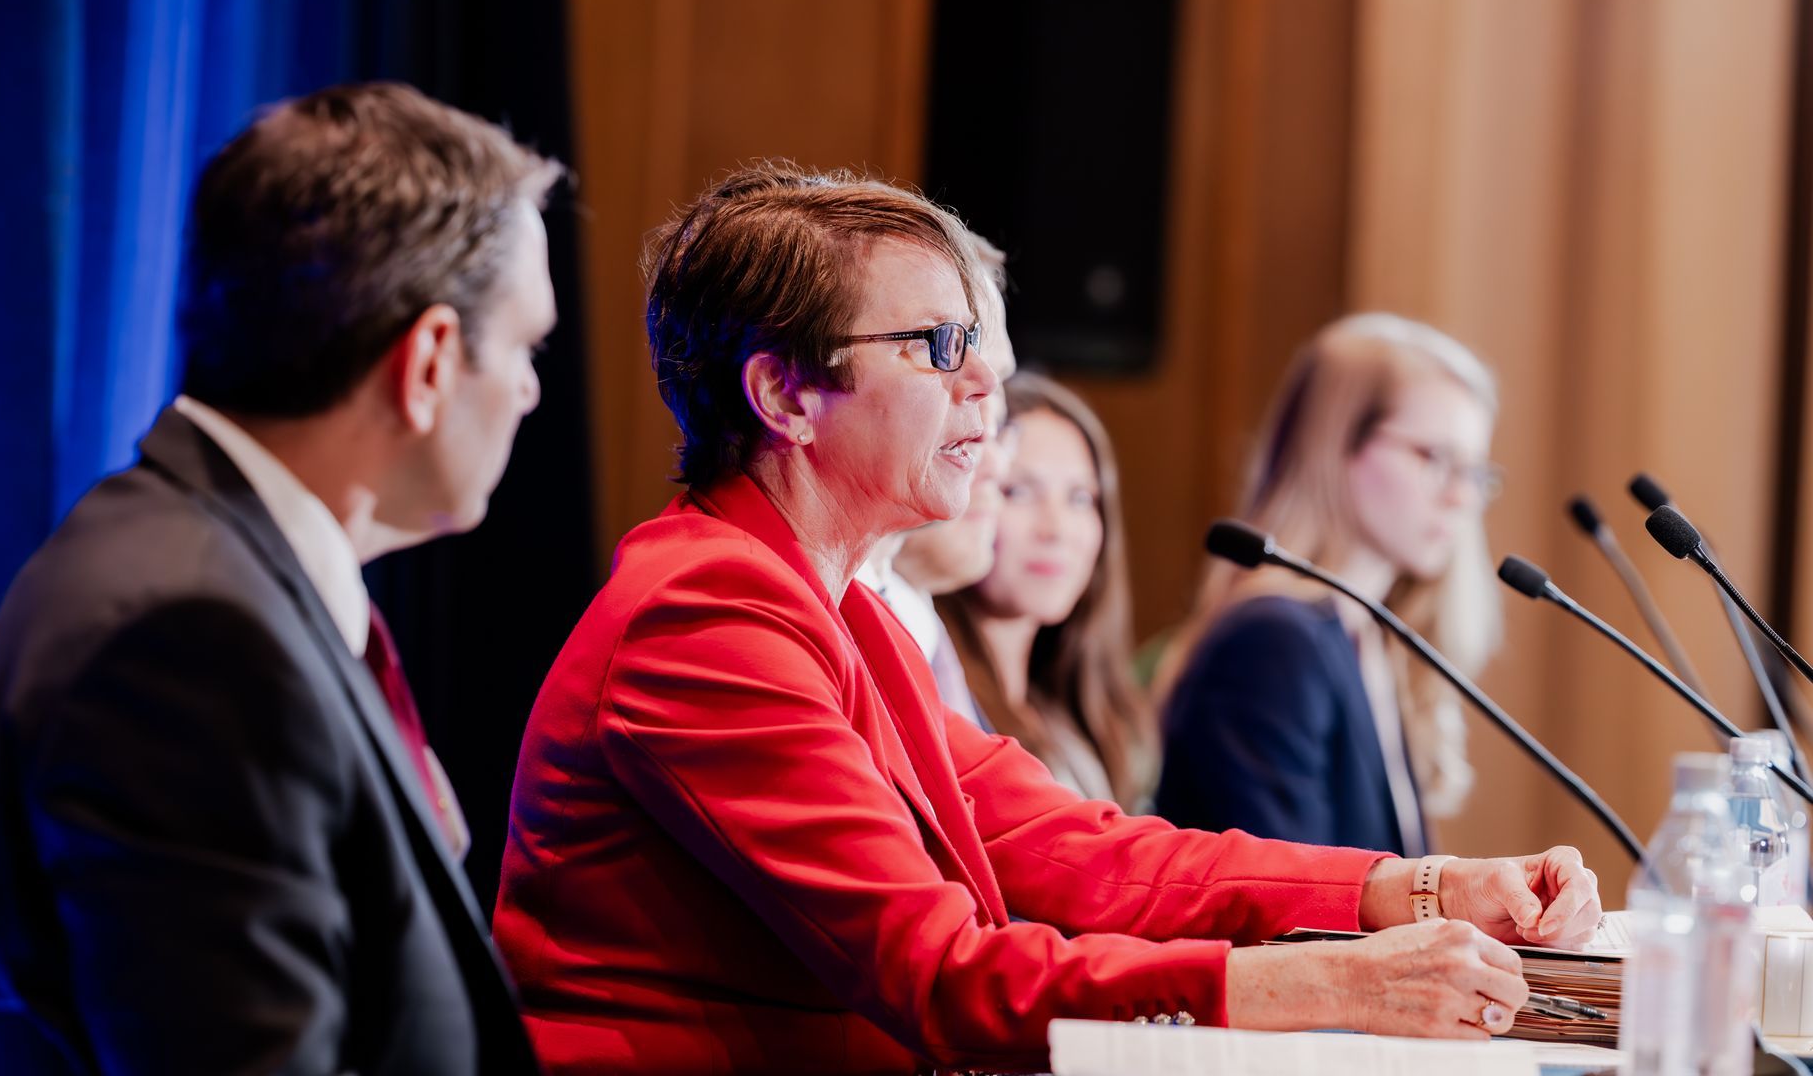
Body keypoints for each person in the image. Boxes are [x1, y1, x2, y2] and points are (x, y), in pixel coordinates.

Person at [494, 161, 1600, 1076]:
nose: (990, 387)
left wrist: (1417, 888)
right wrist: (1332, 979)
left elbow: (1085, 849)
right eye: (938, 347)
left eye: (987, 349)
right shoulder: (706, 614)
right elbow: (943, 973)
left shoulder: (845, 615)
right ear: (782, 394)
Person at [0, 82, 557, 1075]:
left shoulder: (206, 572)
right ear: (432, 360)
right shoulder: (185, 639)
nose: (532, 388)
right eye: (527, 345)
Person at [1154, 313, 1502, 856]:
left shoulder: (1363, 635)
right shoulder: (1273, 642)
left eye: (1475, 473)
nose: (1460, 497)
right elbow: (1291, 910)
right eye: (1435, 458)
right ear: (1336, 445)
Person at [940, 372, 1158, 810]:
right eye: (1018, 492)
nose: (1055, 529)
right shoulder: (943, 702)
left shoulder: (1072, 714)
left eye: (1080, 498)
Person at [855, 233, 1015, 726]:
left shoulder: (909, 612)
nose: (989, 438)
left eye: (1000, 380)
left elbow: (979, 786)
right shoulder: (739, 610)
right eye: (944, 351)